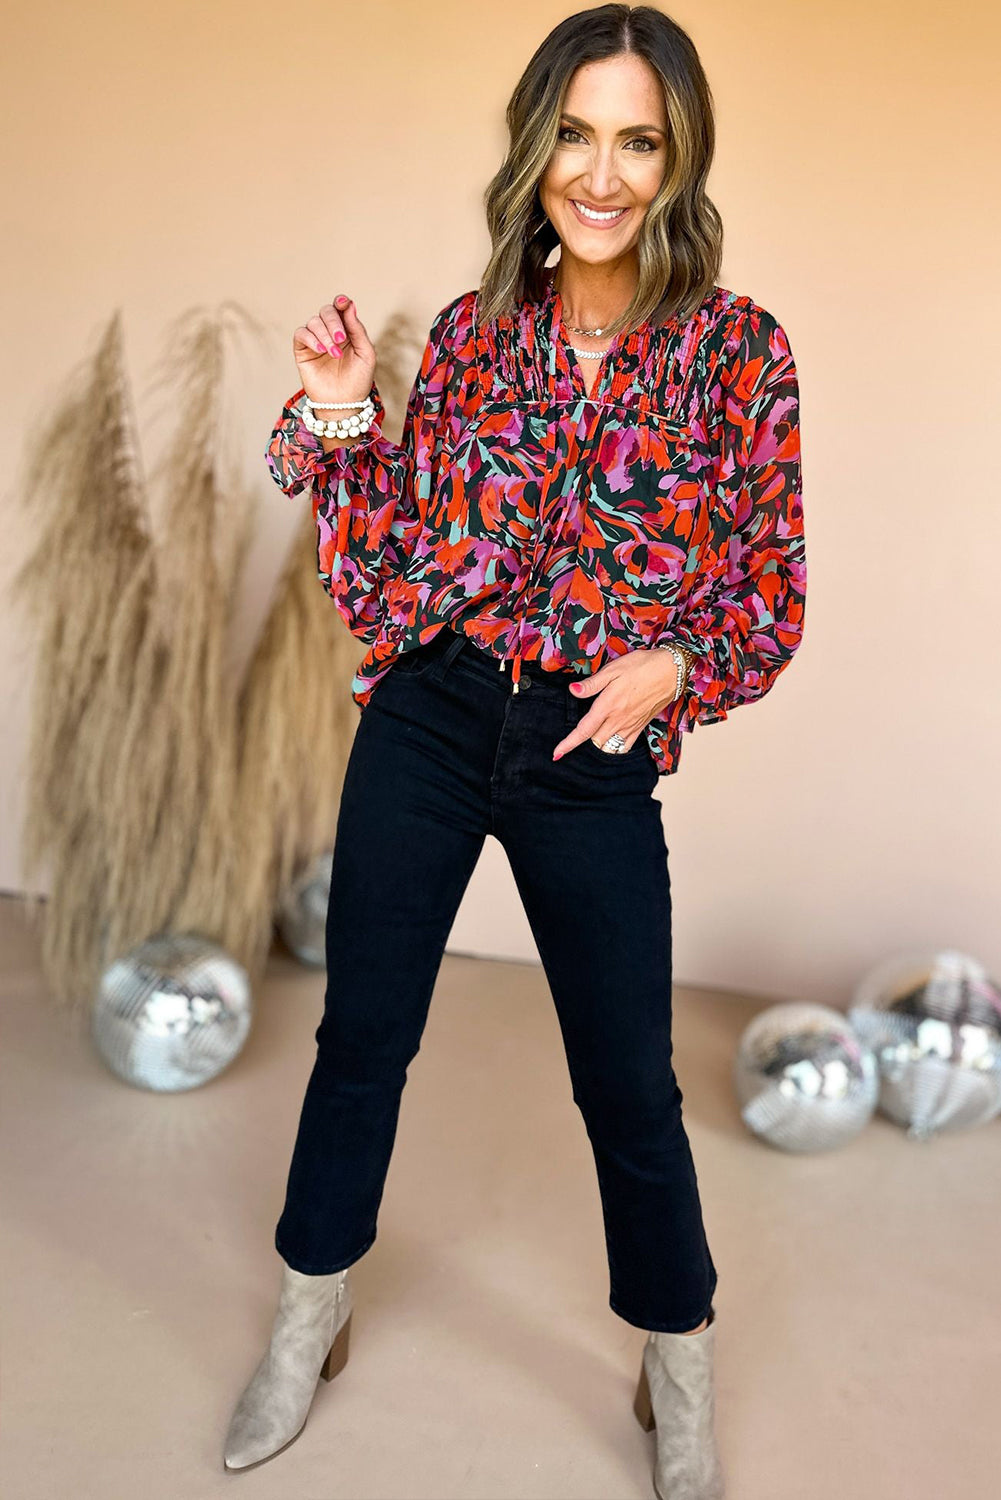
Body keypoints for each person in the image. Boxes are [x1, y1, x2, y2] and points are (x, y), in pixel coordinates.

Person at [223, 5, 805, 1495]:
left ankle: (677, 1356)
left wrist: (678, 666)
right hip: (430, 713)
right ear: (534, 146)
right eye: (573, 134)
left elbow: (771, 592)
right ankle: (308, 1312)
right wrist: (342, 414)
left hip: (589, 743)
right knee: (362, 1040)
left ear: (678, 160)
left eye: (636, 141)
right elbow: (384, 577)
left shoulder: (740, 353)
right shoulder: (478, 333)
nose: (599, 175)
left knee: (627, 1082)